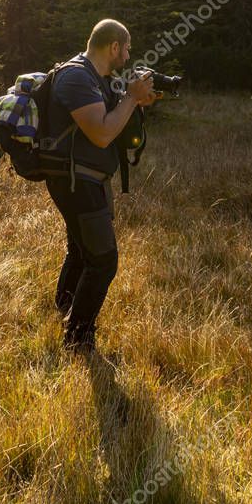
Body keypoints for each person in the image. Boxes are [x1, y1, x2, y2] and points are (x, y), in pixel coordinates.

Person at [44, 19, 157, 355]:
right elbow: (102, 132)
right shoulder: (77, 76)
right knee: (104, 261)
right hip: (76, 180)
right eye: (127, 48)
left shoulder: (98, 79)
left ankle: (64, 310)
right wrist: (130, 99)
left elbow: (116, 122)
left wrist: (135, 100)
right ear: (113, 47)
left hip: (86, 178)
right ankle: (78, 339)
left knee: (81, 251)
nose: (128, 54)